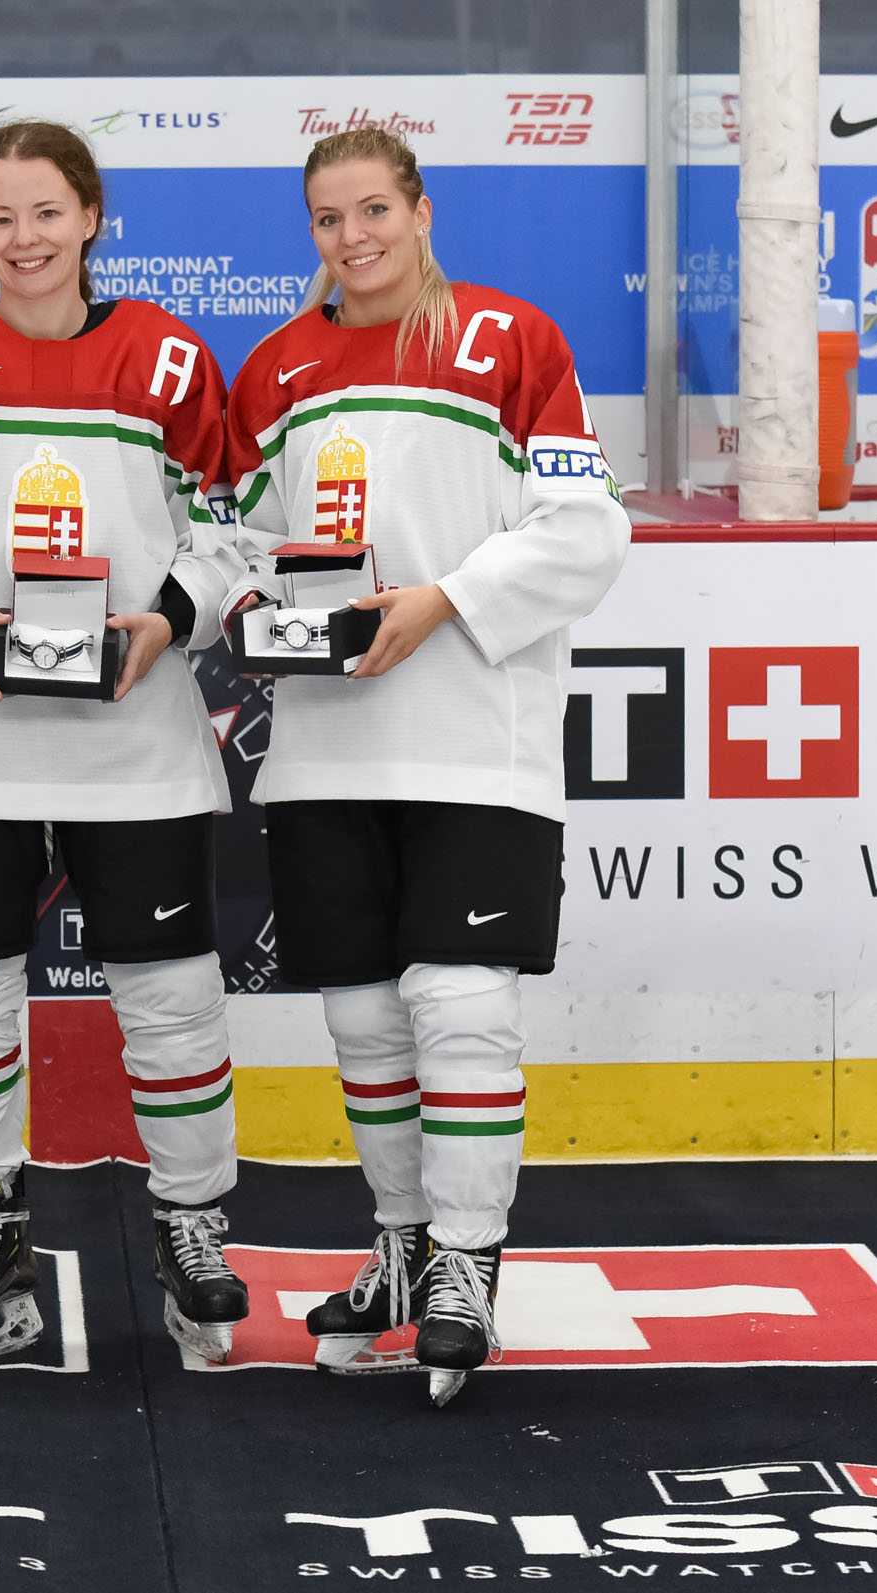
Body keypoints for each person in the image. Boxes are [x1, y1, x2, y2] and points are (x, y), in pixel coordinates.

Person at [223, 127, 631, 1406]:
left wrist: (443, 599)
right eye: (326, 218)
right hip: (324, 748)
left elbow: (584, 528)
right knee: (362, 1019)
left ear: (418, 209)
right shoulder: (275, 368)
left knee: (457, 1003)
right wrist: (248, 610)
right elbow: (236, 541)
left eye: (371, 210)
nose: (352, 237)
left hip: (472, 740)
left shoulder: (511, 340)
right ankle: (400, 1249)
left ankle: (465, 1261)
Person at [0, 121, 251, 1365]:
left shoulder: (169, 359)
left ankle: (192, 1227)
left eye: (46, 213)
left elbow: (232, 526)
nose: (22, 239)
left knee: (172, 999)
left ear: (90, 216)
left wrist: (172, 617)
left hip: (131, 738)